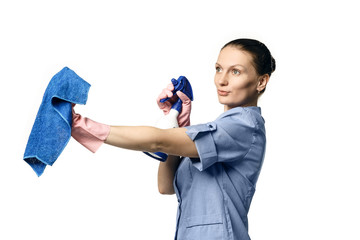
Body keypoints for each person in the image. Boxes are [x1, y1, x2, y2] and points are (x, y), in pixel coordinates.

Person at [71, 38, 276, 240]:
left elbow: (158, 141)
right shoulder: (219, 132)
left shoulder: (244, 125)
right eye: (218, 68)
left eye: (236, 71)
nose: (221, 80)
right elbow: (165, 186)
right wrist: (177, 122)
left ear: (261, 81)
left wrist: (83, 126)